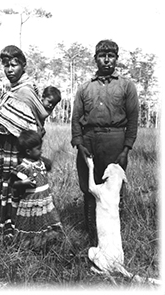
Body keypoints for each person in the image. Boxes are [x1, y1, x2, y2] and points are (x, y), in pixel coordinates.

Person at [0, 45, 61, 243]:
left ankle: (15, 227)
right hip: (1, 146)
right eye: (5, 65)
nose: (9, 69)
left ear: (23, 65)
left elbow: (30, 122)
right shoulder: (14, 89)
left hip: (13, 147)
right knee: (2, 182)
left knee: (12, 184)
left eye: (14, 65)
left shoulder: (25, 91)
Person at [71, 39, 139, 246]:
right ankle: (92, 235)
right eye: (102, 56)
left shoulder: (126, 86)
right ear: (95, 59)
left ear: (117, 59)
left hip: (115, 140)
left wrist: (125, 149)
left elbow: (133, 119)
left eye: (111, 56)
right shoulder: (85, 88)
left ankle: (114, 237)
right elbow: (76, 119)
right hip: (89, 141)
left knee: (114, 189)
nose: (107, 60)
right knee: (90, 189)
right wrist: (80, 145)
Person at [10, 129, 63, 249]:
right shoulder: (24, 167)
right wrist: (24, 182)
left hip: (44, 199)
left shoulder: (41, 162)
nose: (41, 151)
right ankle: (31, 246)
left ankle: (46, 243)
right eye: (38, 149)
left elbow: (48, 166)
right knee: (33, 223)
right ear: (28, 151)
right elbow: (13, 183)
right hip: (32, 201)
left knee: (45, 220)